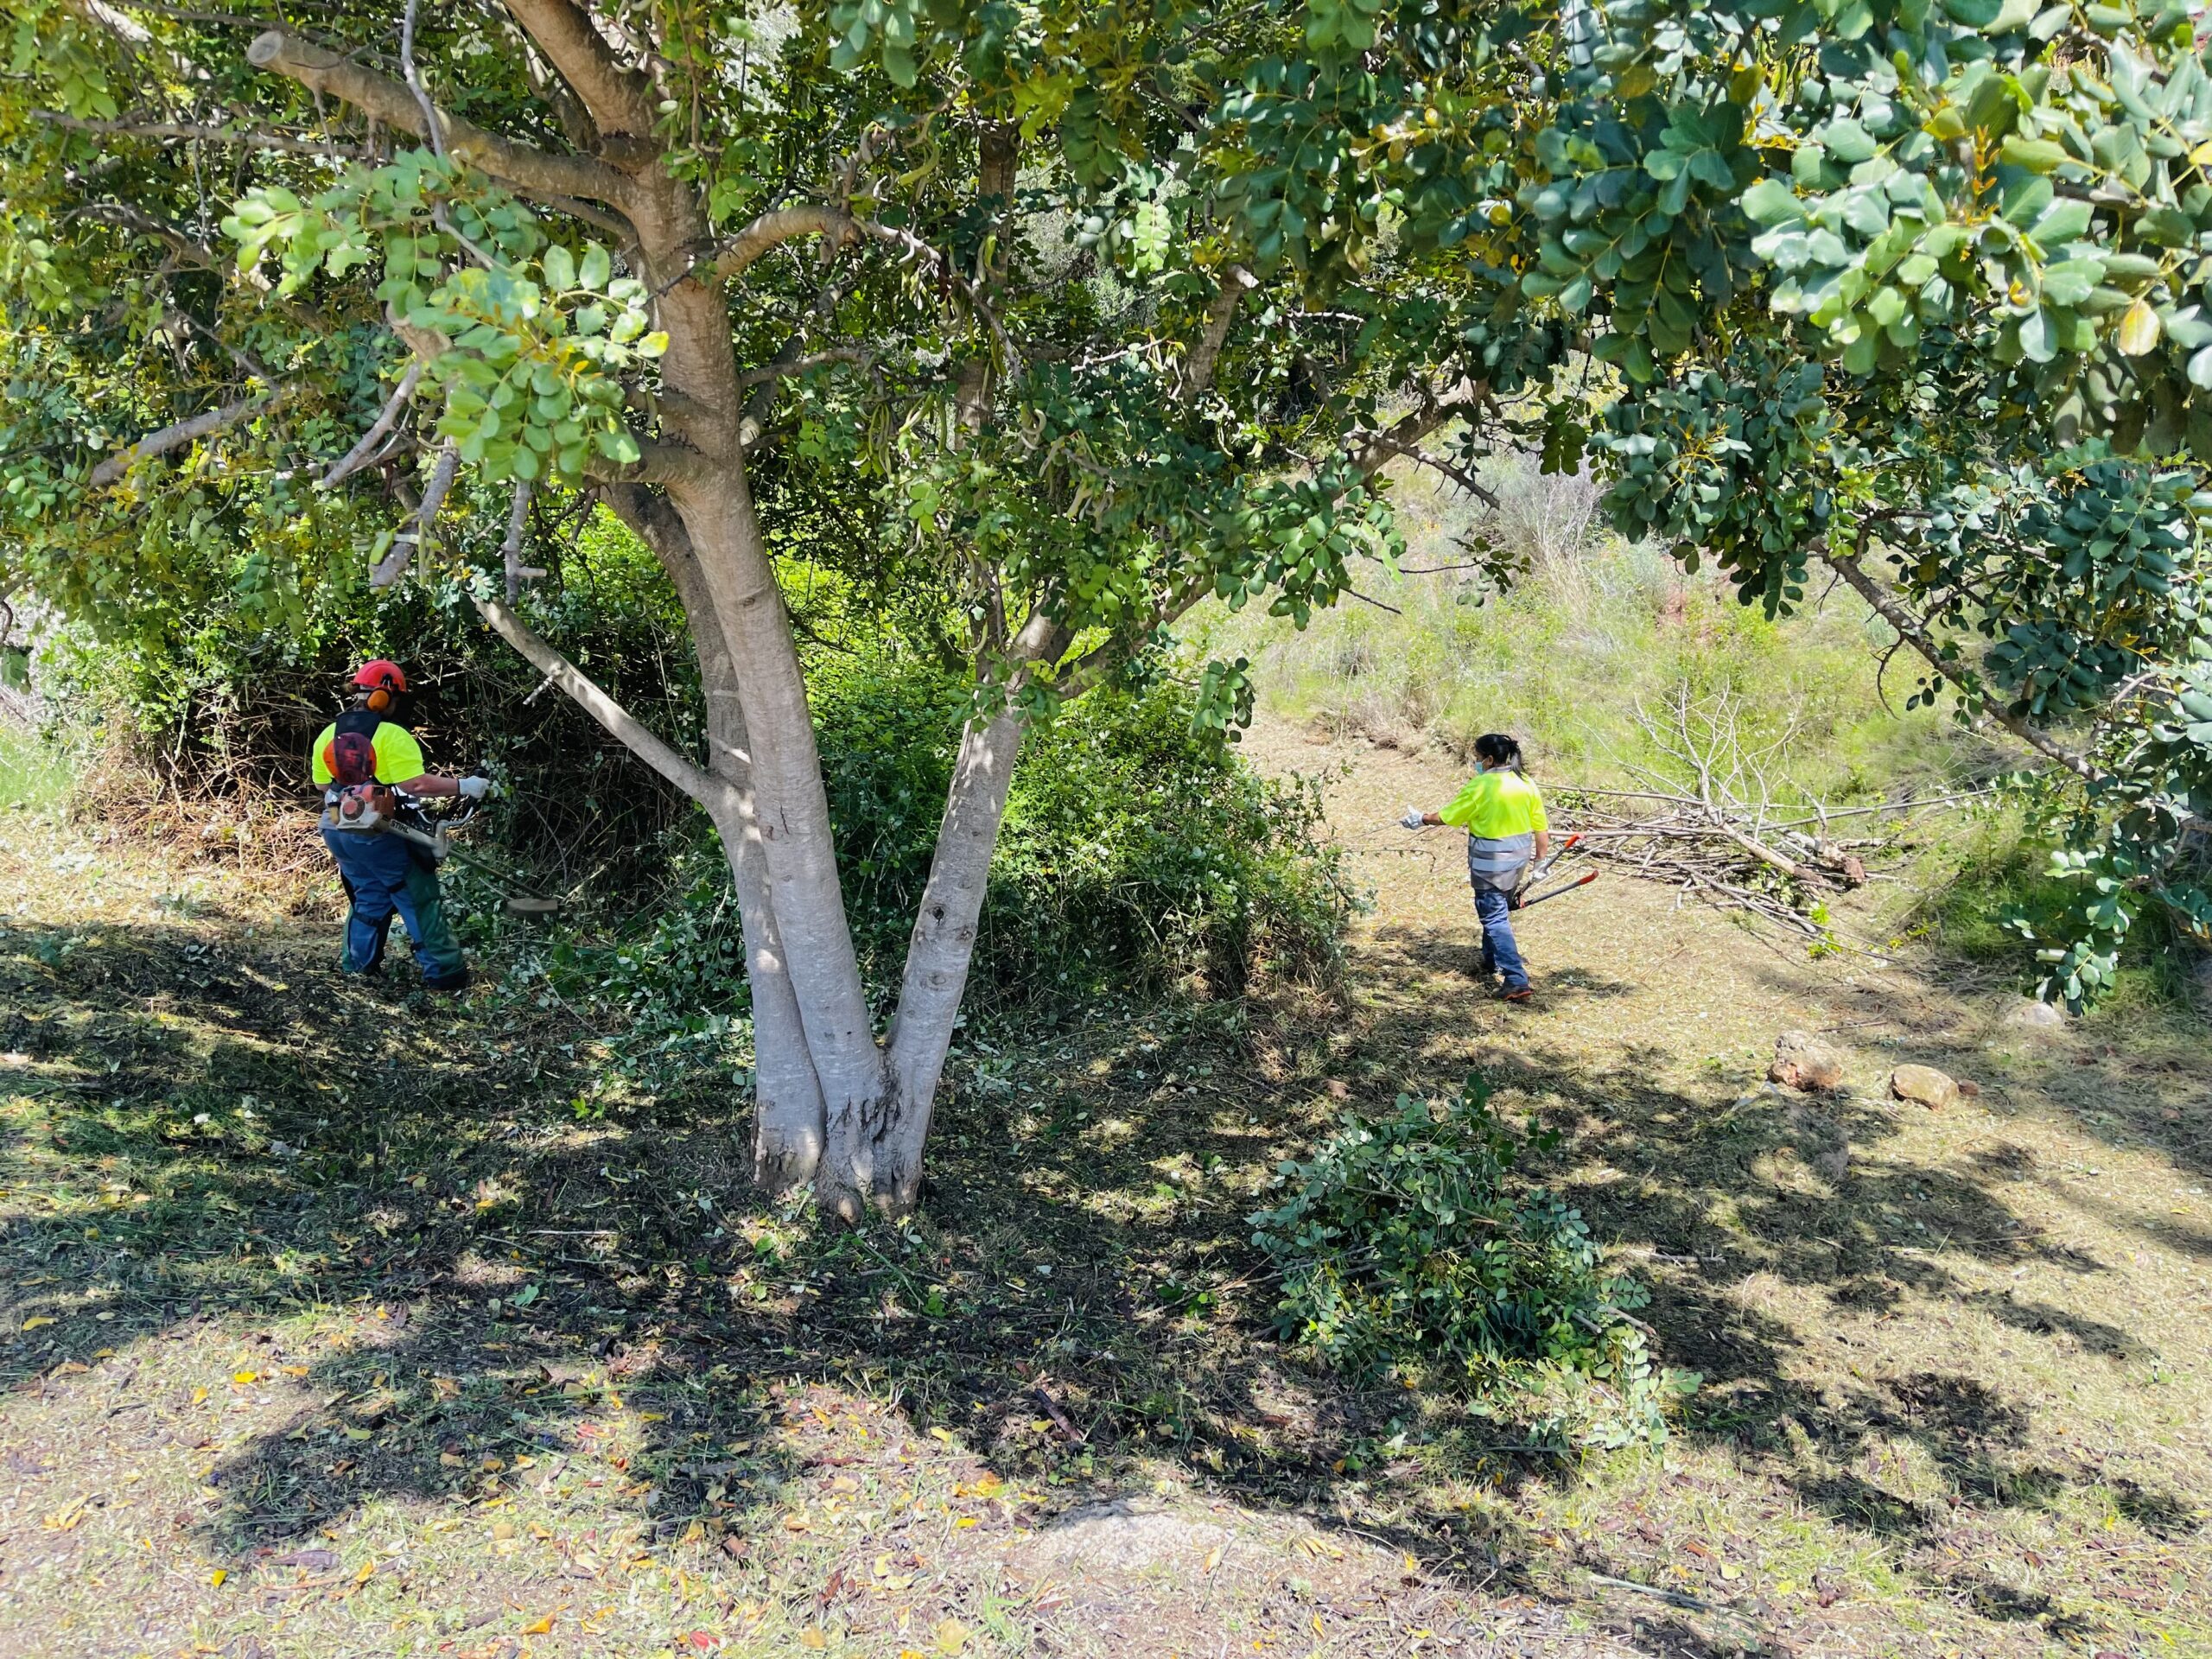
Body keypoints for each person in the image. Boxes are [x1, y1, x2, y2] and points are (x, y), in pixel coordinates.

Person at [310, 659, 488, 991]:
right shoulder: (391, 734)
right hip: (381, 832)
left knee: (370, 896)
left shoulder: (328, 734)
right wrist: (467, 785)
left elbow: (323, 786)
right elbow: (416, 785)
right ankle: (446, 974)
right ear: (383, 697)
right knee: (418, 898)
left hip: (336, 827)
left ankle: (356, 967)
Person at [1402, 733, 1551, 1001]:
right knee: (1499, 909)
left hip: (1491, 864)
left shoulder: (1481, 785)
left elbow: (1448, 816)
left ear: (1490, 759)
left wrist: (1420, 819)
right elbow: (1541, 827)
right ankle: (1491, 960)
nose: (1476, 763)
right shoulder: (1525, 782)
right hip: (1517, 861)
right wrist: (1541, 862)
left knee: (1494, 916)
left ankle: (1516, 979)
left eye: (1478, 758)